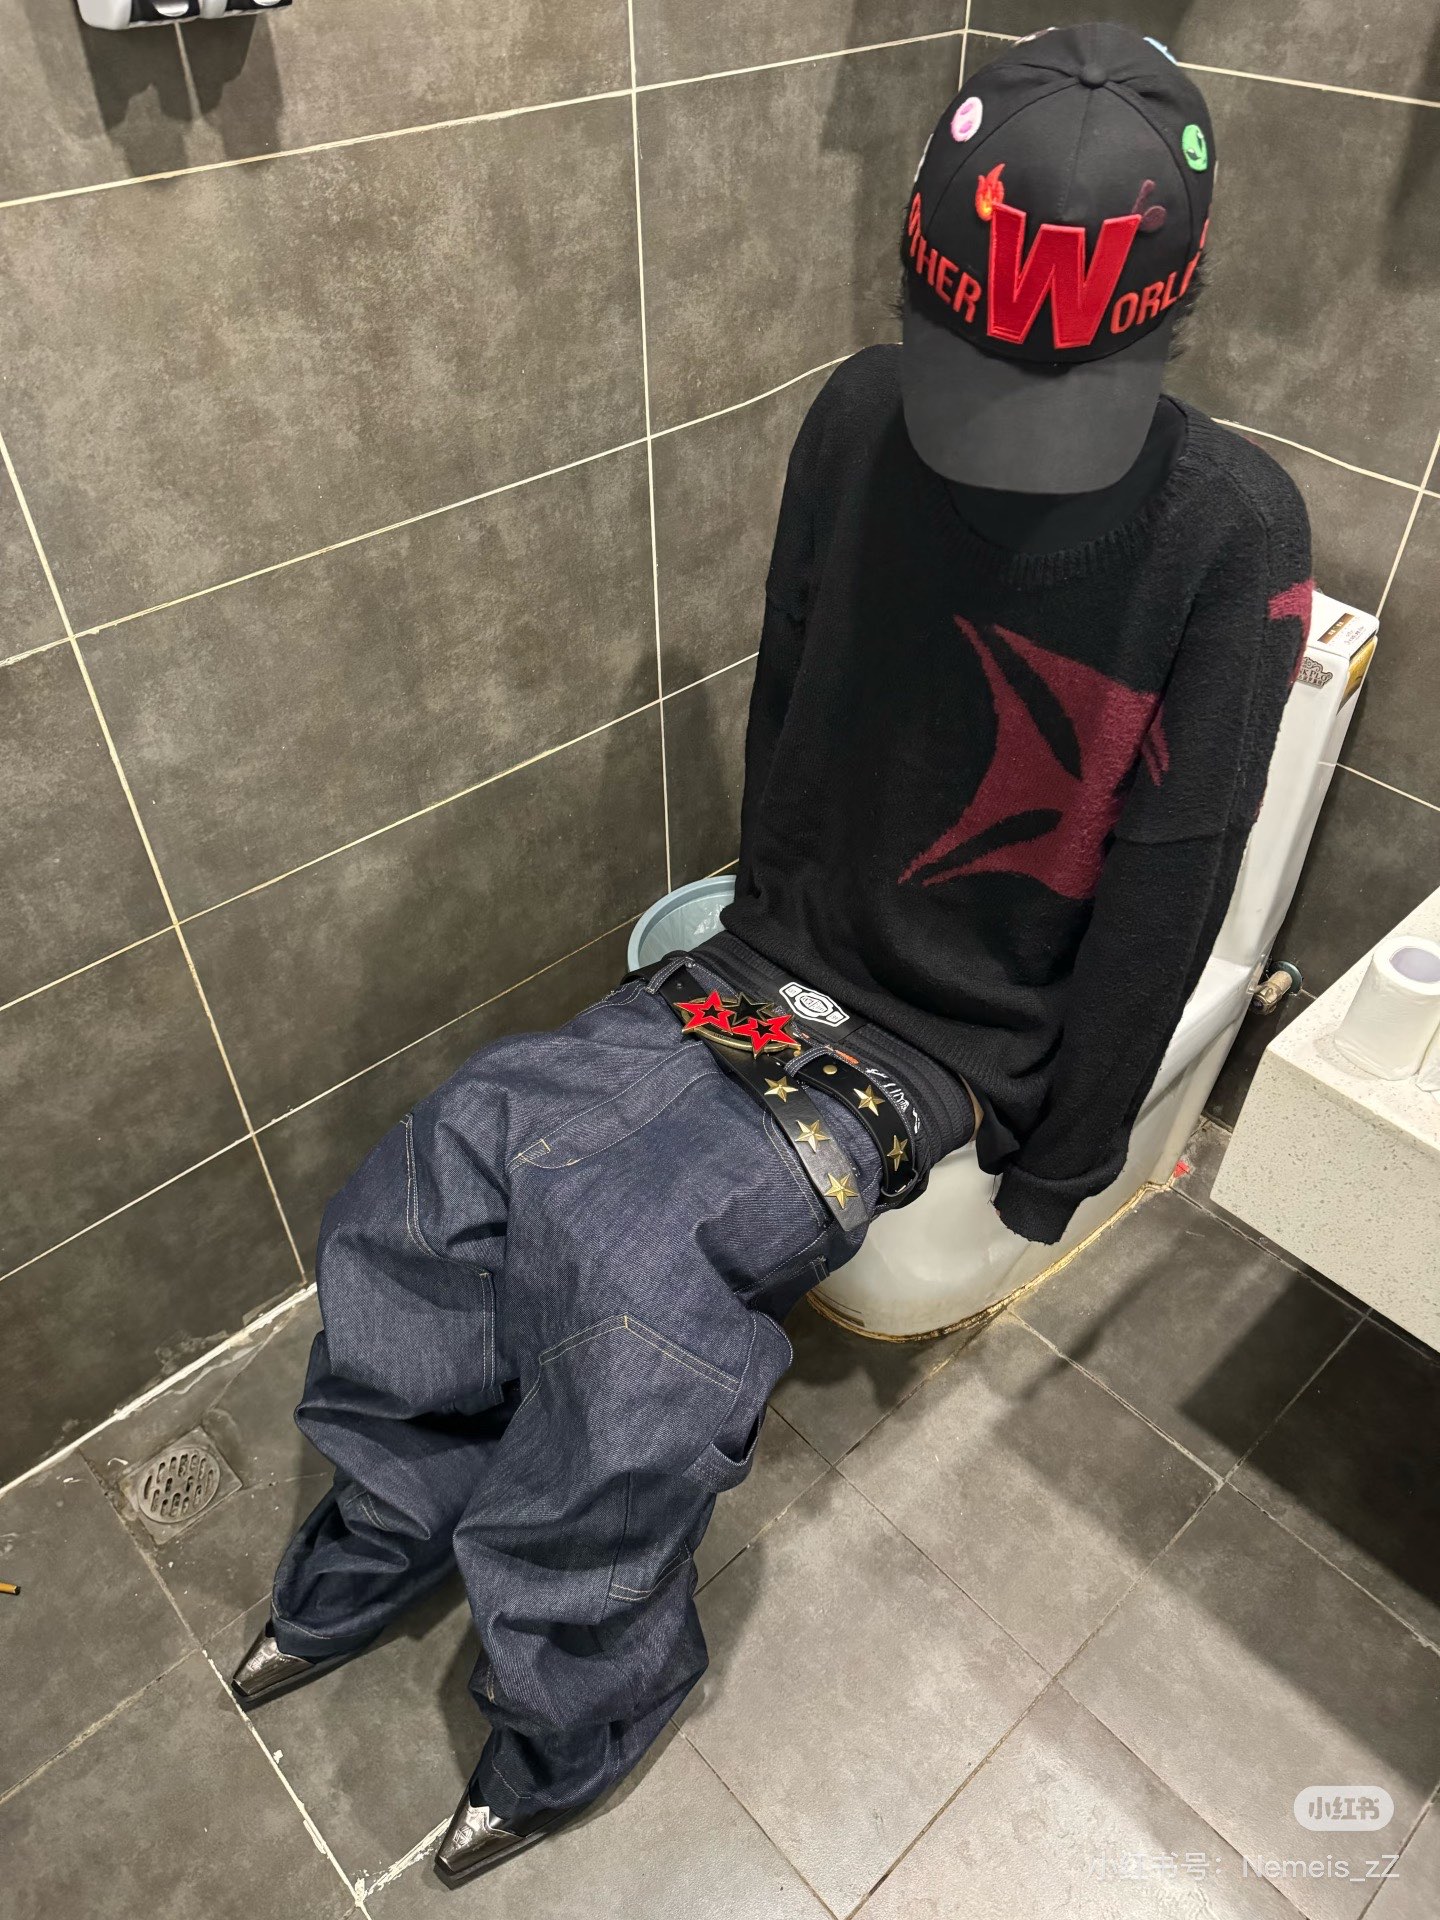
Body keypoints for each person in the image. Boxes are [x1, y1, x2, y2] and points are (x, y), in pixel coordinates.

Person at [231, 22, 1311, 1888]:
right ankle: (398, 1511)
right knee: (454, 1152)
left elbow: (1177, 879)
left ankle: (586, 1692)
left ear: (1173, 310)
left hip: (956, 1026)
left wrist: (1063, 1161)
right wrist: (755, 922)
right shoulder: (857, 415)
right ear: (918, 267)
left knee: (635, 1277)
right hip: (785, 939)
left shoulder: (1231, 532)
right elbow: (796, 675)